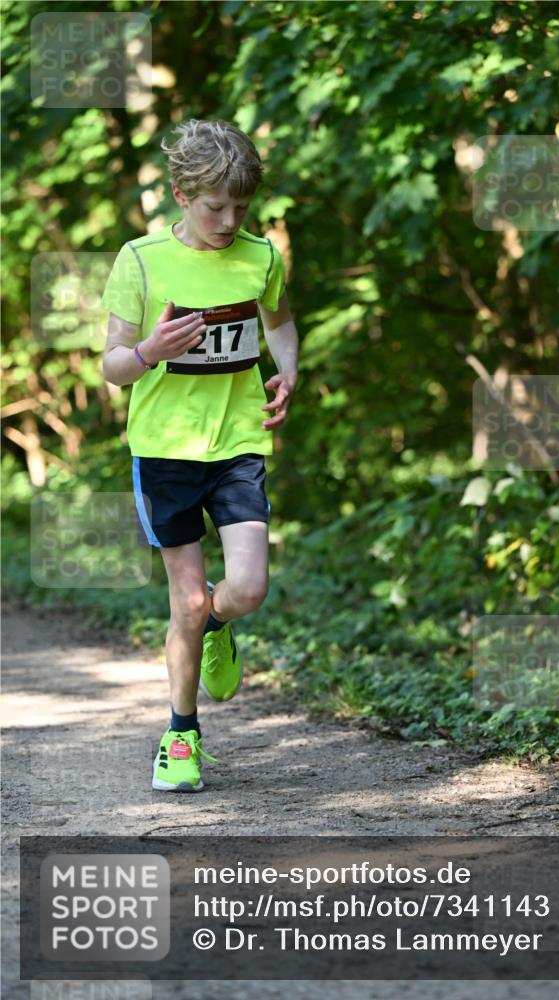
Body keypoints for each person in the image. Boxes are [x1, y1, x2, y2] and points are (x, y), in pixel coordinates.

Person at [100, 118, 299, 792]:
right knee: (182, 602)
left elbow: (280, 321)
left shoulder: (260, 257)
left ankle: (217, 622)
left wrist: (287, 372)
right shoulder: (142, 259)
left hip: (237, 444)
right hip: (164, 453)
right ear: (183, 194)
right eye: (216, 206)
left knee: (247, 587)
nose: (228, 220)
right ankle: (180, 735)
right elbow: (113, 366)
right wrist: (149, 353)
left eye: (240, 207)